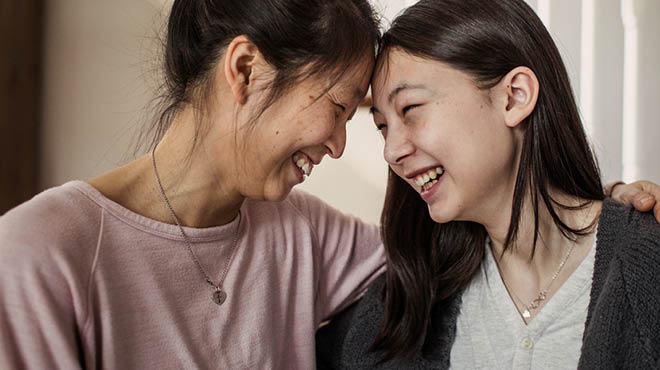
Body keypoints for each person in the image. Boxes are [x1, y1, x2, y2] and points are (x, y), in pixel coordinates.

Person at [0, 1, 386, 368]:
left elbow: (434, 260)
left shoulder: (304, 234)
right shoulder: (40, 254)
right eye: (338, 108)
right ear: (246, 69)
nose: (338, 146)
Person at [316, 0, 660, 369]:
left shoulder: (645, 267)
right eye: (383, 126)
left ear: (514, 97)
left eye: (411, 109)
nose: (391, 151)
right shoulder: (408, 298)